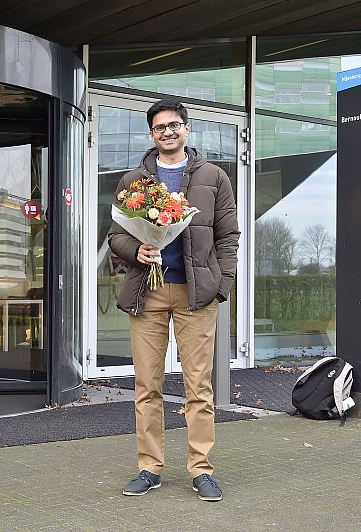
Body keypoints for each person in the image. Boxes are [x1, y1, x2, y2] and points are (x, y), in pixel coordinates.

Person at [108, 99, 240, 502]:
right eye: (160, 126)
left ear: (187, 129)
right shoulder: (133, 179)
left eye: (175, 124)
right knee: (147, 385)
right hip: (147, 293)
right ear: (151, 133)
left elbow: (228, 236)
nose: (168, 131)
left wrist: (223, 286)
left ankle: (201, 469)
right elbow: (116, 236)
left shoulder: (214, 176)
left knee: (198, 386)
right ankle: (149, 467)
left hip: (196, 295)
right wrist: (137, 251)